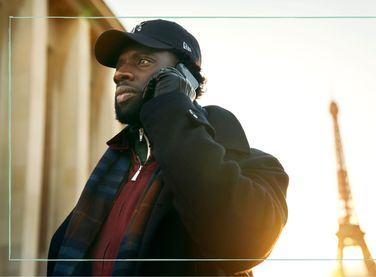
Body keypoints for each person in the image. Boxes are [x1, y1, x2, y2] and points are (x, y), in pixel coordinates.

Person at [47, 19, 289, 276]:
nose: (119, 74)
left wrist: (174, 109)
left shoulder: (257, 167)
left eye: (143, 61)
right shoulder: (110, 176)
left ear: (185, 78)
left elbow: (242, 243)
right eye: (119, 65)